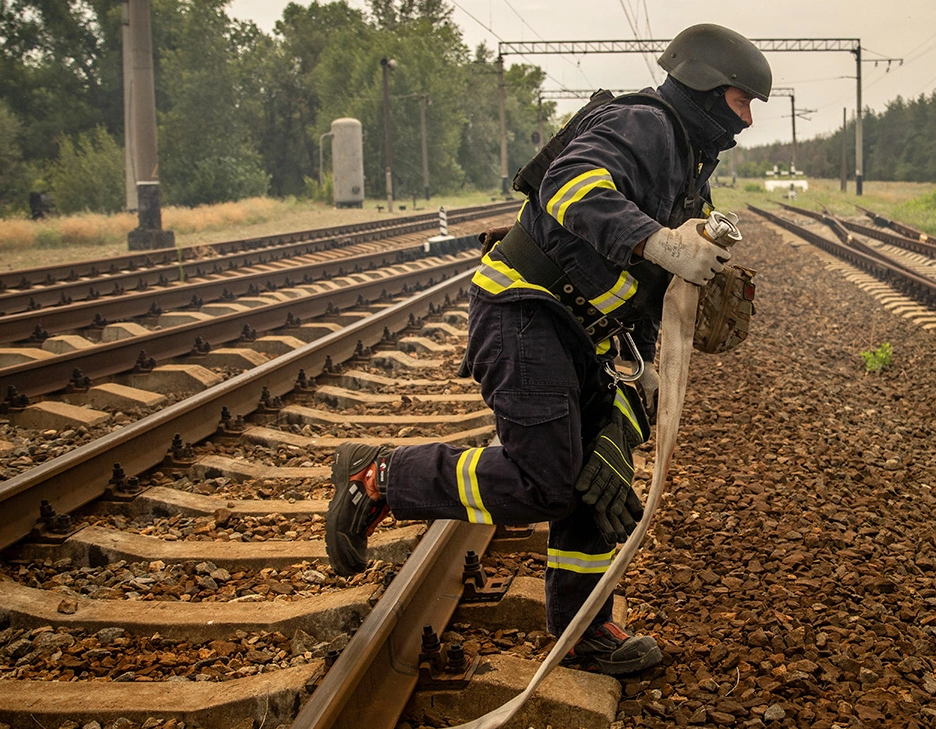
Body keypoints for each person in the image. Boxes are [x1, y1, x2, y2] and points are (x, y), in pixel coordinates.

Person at [325, 23, 771, 676]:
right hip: (524, 311)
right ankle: (383, 476)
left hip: (585, 334)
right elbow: (570, 185)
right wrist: (657, 239)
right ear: (705, 85)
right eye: (742, 100)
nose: (748, 119)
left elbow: (648, 292)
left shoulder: (687, 171)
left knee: (600, 474)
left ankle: (582, 633)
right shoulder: (645, 125)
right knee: (546, 481)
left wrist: (632, 397)